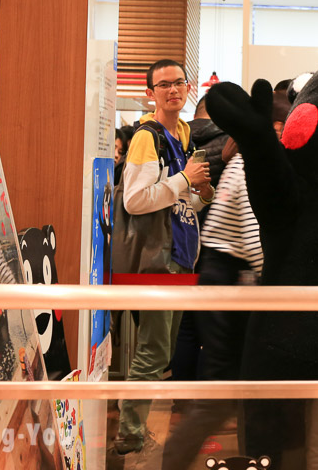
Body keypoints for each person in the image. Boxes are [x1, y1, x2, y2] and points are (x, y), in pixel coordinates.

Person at [162, 85, 292, 468]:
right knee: (224, 392)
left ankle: (253, 458)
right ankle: (176, 460)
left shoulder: (246, 156)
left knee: (238, 388)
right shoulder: (254, 160)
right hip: (230, 281)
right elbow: (253, 234)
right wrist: (276, 281)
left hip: (225, 278)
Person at [113, 59, 214, 456]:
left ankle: (133, 430)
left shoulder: (183, 133)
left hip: (180, 256)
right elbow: (137, 201)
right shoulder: (146, 137)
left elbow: (177, 197)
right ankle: (129, 434)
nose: (173, 90)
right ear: (150, 92)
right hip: (158, 259)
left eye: (179, 83)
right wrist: (186, 179)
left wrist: (198, 192)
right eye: (164, 85)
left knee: (163, 350)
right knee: (154, 350)